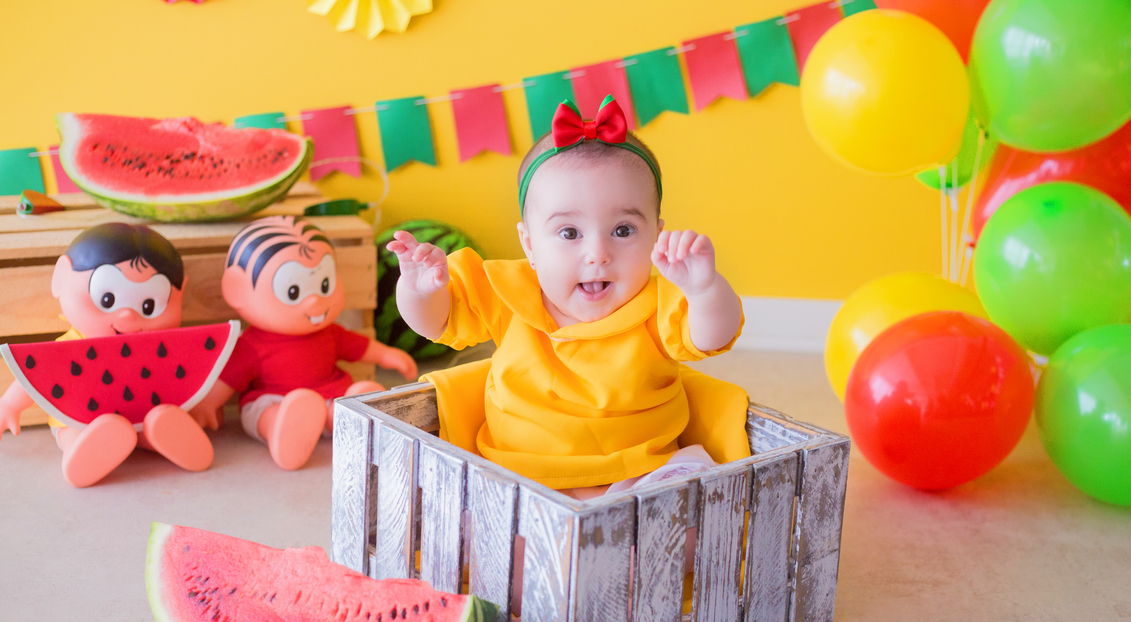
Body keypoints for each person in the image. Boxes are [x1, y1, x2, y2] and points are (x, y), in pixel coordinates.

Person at [390, 96, 745, 499]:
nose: (598, 253)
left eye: (624, 230)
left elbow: (713, 336)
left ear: (655, 233)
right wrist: (418, 291)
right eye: (570, 233)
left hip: (643, 471)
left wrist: (704, 288)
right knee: (491, 531)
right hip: (521, 473)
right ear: (529, 244)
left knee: (698, 497)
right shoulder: (506, 289)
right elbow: (437, 321)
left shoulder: (657, 300)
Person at [189, 216, 417, 470]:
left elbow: (360, 347)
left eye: (324, 284)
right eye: (294, 292)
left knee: (352, 397)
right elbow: (229, 378)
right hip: (274, 400)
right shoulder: (251, 344)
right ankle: (280, 431)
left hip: (330, 396)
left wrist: (387, 355)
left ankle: (353, 420)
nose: (316, 302)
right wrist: (207, 404)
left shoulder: (331, 333)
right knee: (261, 413)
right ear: (237, 291)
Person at [0, 223, 214, 487]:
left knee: (155, 420)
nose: (128, 316)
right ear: (61, 279)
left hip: (145, 413)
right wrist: (8, 406)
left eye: (148, 305)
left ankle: (164, 433)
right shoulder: (67, 347)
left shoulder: (165, 348)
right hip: (76, 420)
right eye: (108, 299)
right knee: (71, 433)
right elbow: (36, 374)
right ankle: (79, 451)